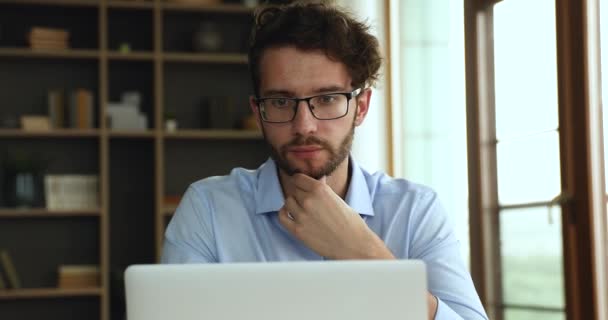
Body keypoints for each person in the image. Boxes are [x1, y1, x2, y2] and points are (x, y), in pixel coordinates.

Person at [161, 2, 488, 320]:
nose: (304, 125)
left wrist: (363, 253)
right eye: (280, 101)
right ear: (258, 112)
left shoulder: (415, 210)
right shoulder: (209, 209)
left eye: (328, 98)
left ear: (360, 107)